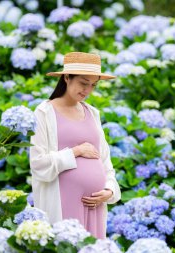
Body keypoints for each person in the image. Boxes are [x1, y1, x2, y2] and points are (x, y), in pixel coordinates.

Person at [29, 52, 121, 239]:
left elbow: (105, 161)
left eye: (93, 85)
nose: (88, 90)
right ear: (67, 77)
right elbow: (38, 164)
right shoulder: (44, 112)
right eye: (83, 83)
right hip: (63, 204)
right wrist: (75, 152)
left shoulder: (93, 113)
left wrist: (109, 190)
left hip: (95, 207)